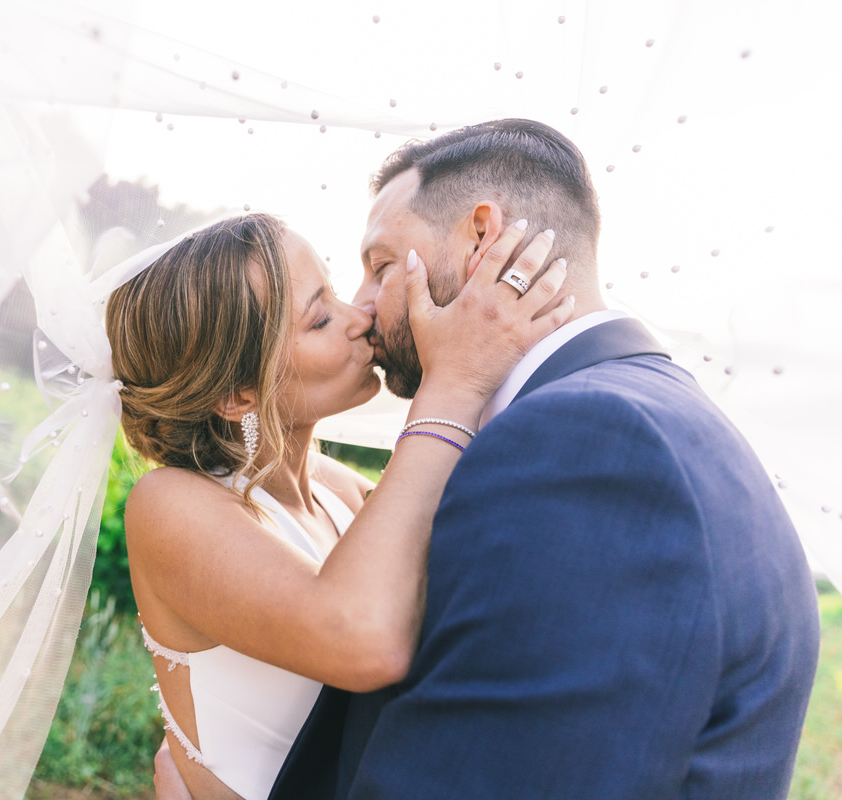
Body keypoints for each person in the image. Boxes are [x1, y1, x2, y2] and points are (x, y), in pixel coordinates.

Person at [268, 118, 821, 799]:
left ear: (481, 237)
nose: (360, 304)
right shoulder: (639, 413)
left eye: (380, 265)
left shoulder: (590, 443)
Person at [105, 210, 574, 799]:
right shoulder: (169, 504)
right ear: (236, 393)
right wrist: (452, 387)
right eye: (321, 318)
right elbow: (363, 641)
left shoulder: (343, 491)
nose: (362, 318)